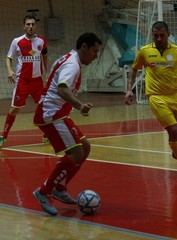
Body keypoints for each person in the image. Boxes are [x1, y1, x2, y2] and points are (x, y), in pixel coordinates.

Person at [33, 32, 102, 215]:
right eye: (95, 51)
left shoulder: (70, 59)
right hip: (51, 113)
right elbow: (62, 89)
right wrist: (80, 106)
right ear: (84, 47)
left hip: (56, 112)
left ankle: (60, 188)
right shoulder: (73, 64)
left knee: (84, 147)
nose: (96, 56)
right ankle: (43, 192)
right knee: (76, 152)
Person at [125, 21, 177, 177]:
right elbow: (134, 69)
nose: (158, 39)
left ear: (168, 34)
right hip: (156, 97)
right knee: (173, 131)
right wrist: (129, 89)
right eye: (155, 35)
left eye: (161, 35)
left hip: (176, 96)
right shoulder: (144, 51)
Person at [0, 15, 49, 146]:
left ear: (35, 26)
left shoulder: (42, 41)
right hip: (23, 82)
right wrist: (10, 71)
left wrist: (48, 73)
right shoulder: (17, 41)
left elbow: (45, 57)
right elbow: (8, 57)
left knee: (43, 108)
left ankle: (47, 134)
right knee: (14, 109)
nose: (30, 26)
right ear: (24, 26)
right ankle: (3, 137)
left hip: (38, 82)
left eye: (32, 24)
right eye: (28, 24)